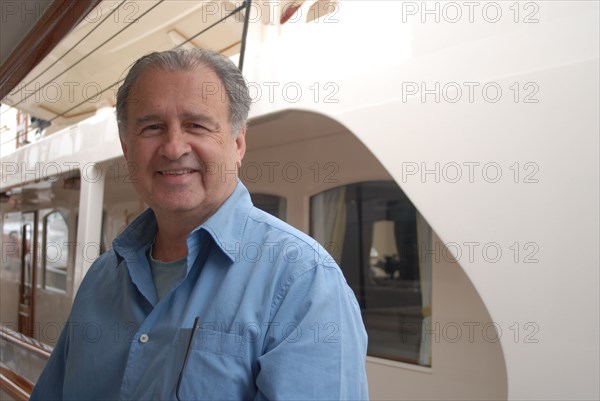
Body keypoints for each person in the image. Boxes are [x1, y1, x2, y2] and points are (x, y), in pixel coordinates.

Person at [30, 48, 369, 400]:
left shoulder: (304, 282)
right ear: (127, 148)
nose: (174, 147)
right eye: (152, 127)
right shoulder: (100, 279)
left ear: (237, 144)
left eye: (196, 125)